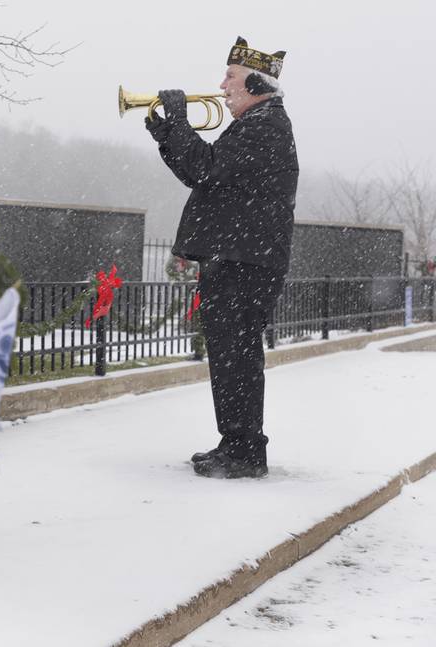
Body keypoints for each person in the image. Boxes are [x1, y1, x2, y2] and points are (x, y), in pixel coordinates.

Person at [145, 36, 299, 479]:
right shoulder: (259, 123)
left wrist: (178, 119)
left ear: (255, 82)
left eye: (230, 77)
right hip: (239, 258)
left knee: (237, 356)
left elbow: (204, 168)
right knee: (231, 355)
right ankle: (236, 443)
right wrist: (168, 134)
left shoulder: (265, 124)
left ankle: (246, 452)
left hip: (245, 261)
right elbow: (202, 175)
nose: (222, 85)